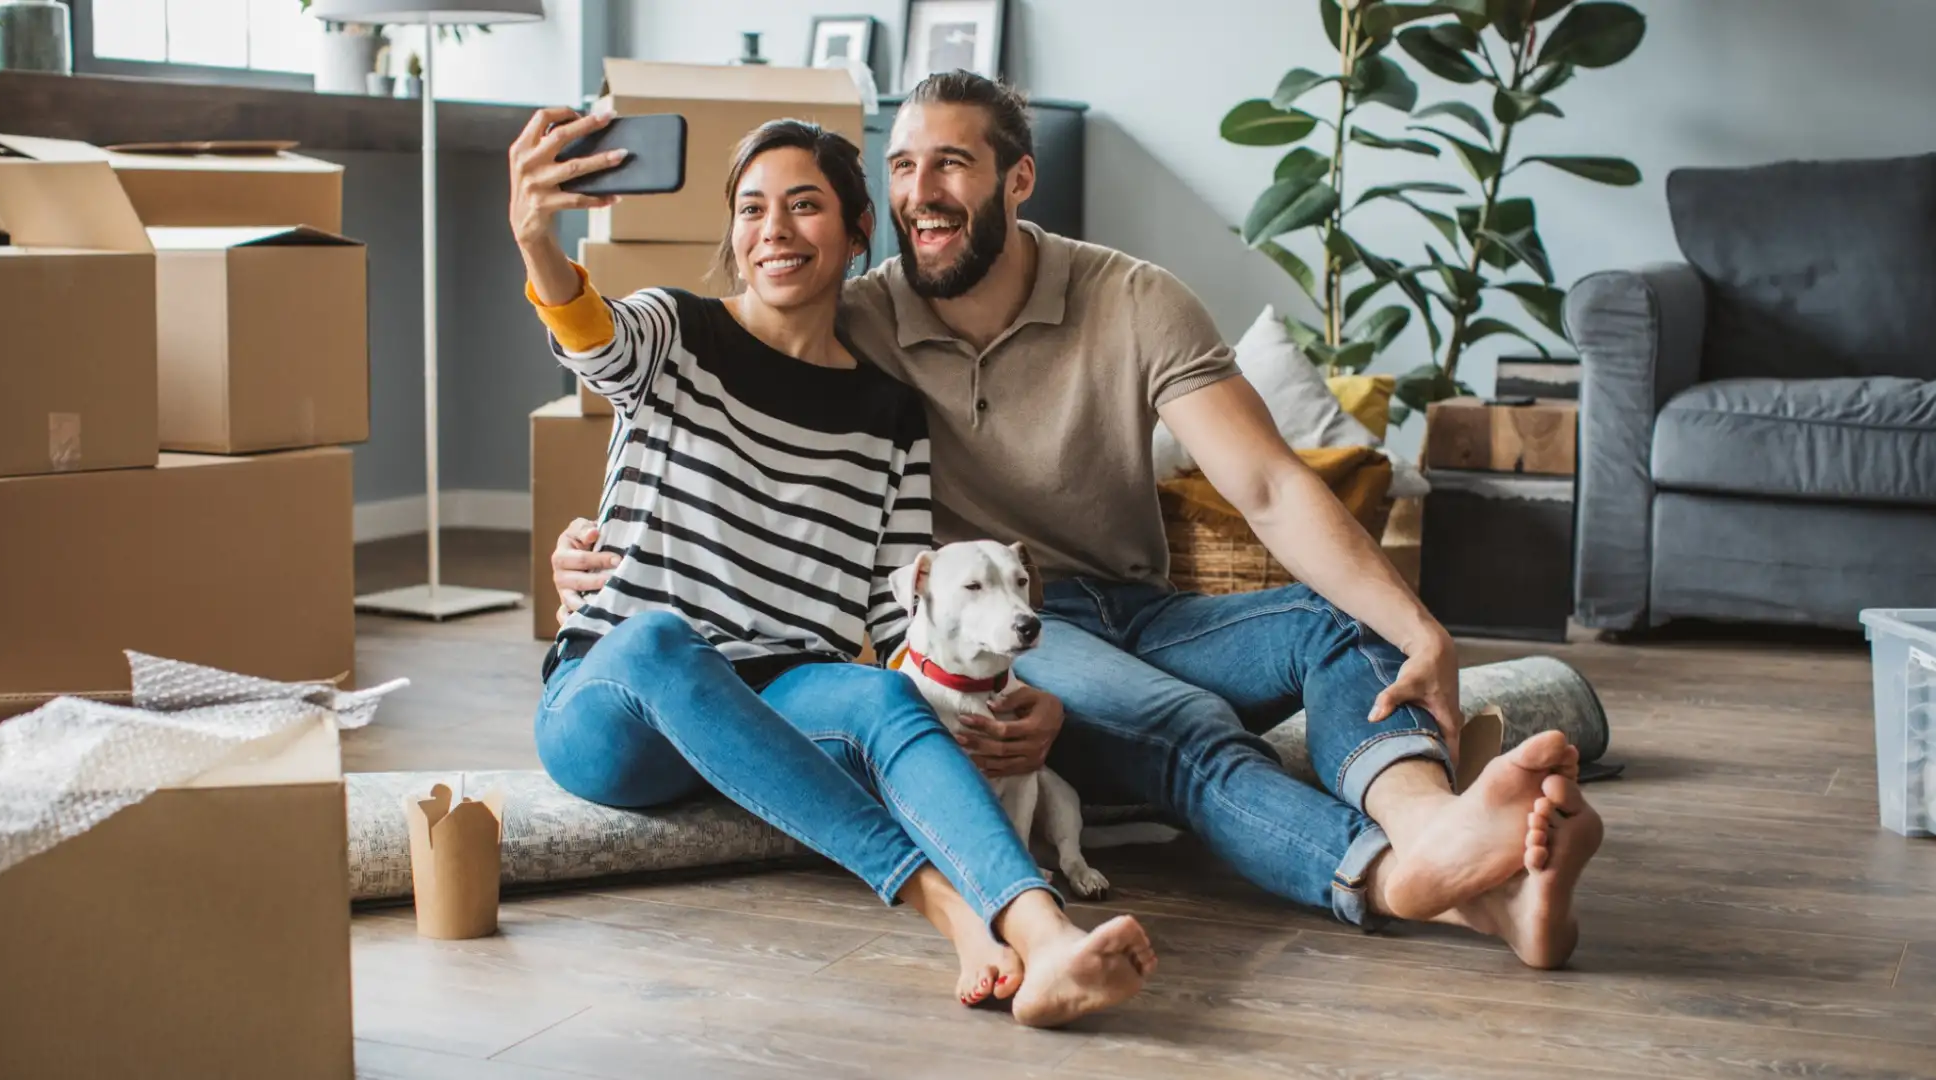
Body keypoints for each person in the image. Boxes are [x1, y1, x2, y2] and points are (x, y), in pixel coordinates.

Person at [553, 72, 1605, 970]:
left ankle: (1441, 843)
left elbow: (1272, 487)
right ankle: (1387, 876)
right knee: (1184, 729)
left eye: (953, 165)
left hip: (1147, 604)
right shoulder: (856, 309)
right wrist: (602, 556)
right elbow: (709, 410)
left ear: (1017, 178)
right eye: (905, 167)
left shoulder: (1131, 299)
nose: (923, 192)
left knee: (1347, 626)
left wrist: (1422, 630)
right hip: (1020, 635)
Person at [507, 108, 1157, 1026]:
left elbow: (905, 626)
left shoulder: (888, 416)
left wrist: (1004, 697)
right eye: (751, 208)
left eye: (804, 205)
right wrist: (537, 237)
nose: (772, 229)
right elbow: (592, 337)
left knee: (884, 695)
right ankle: (952, 909)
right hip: (617, 705)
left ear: (858, 232)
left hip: (780, 698)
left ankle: (1045, 938)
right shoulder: (674, 334)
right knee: (660, 641)